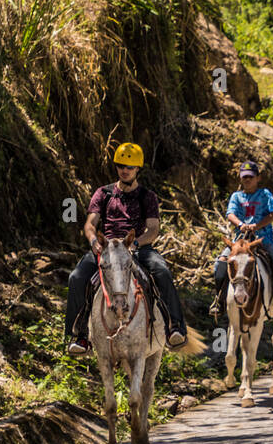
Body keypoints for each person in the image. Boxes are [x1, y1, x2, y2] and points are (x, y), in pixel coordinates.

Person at [65, 142, 188, 354]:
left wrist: (136, 243)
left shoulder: (147, 196)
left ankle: (174, 327)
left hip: (138, 247)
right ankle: (79, 335)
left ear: (137, 169)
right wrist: (94, 241)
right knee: (76, 278)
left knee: (162, 271)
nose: (125, 170)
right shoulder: (103, 193)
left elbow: (153, 229)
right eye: (121, 165)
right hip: (108, 249)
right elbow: (90, 223)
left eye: (129, 167)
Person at [210, 162, 273, 317]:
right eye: (244, 177)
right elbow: (230, 214)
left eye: (250, 177)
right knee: (220, 262)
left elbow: (272, 214)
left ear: (258, 178)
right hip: (239, 240)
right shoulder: (237, 196)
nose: (247, 180)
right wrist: (240, 224)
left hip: (263, 239)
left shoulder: (265, 194)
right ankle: (219, 300)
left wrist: (256, 225)